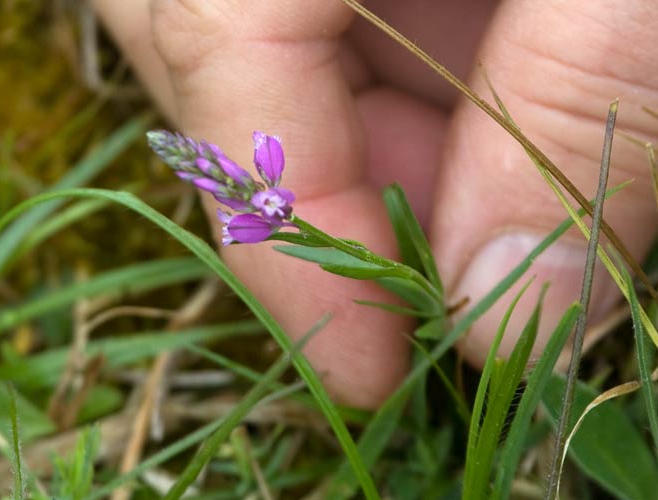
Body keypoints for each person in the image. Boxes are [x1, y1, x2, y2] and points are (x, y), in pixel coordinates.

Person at [92, 0, 658, 409]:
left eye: (270, 202)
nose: (272, 206)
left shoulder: (279, 190)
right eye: (265, 208)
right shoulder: (268, 212)